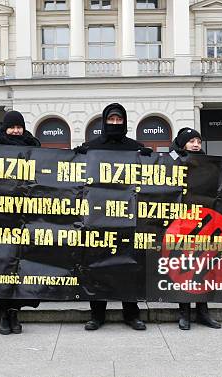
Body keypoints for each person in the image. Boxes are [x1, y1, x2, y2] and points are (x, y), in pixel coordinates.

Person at [76, 103, 149, 331]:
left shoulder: (135, 147)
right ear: (104, 121)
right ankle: (97, 315)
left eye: (119, 120)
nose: (115, 124)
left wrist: (147, 158)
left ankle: (132, 314)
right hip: (98, 219)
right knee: (97, 266)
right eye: (111, 120)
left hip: (127, 219)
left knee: (130, 266)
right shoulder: (91, 148)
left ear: (124, 122)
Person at [0, 110, 41, 335]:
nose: (15, 131)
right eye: (12, 127)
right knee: (0, 265)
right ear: (4, 128)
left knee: (20, 267)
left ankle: (14, 312)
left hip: (24, 218)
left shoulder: (34, 147)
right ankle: (2, 313)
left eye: (19, 127)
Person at [169, 127, 222, 330]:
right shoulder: (173, 161)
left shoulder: (208, 163)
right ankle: (184, 313)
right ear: (183, 144)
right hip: (182, 224)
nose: (196, 144)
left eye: (198, 141)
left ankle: (203, 311)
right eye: (191, 141)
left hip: (204, 223)